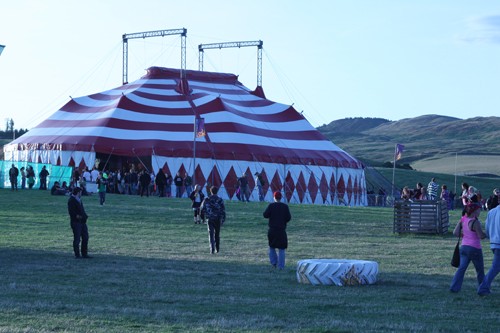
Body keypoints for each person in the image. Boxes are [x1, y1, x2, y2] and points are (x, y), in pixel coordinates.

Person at [450, 195, 486, 292]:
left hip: (464, 247)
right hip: (475, 248)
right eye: (479, 210)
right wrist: (487, 233)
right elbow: (481, 236)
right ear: (474, 211)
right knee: (480, 271)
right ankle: (483, 288)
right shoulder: (475, 222)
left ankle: (454, 287)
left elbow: (455, 233)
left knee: (461, 269)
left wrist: (464, 235)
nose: (480, 211)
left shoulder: (463, 219)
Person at [263, 191, 292, 270]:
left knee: (271, 246)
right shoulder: (285, 206)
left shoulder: (271, 206)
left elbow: (265, 215)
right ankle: (281, 266)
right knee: (281, 248)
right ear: (281, 197)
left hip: (272, 229)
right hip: (281, 230)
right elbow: (288, 218)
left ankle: (274, 263)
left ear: (274, 197)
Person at [477, 201, 500, 296]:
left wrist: (491, 237)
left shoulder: (492, 212)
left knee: (496, 266)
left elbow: (487, 228)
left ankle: (483, 287)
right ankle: (483, 287)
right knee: (495, 267)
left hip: (494, 242)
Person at [201, 186, 226, 254]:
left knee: (211, 234)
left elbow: (202, 209)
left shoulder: (207, 199)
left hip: (210, 218)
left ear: (210, 191)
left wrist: (202, 218)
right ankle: (217, 249)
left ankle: (212, 249)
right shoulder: (220, 199)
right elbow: (223, 210)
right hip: (218, 219)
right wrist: (223, 219)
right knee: (217, 234)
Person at [67, 187, 91, 259]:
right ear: (78, 192)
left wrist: (85, 216)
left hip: (82, 222)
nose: (81, 193)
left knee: (85, 237)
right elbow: (72, 212)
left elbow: (82, 210)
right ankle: (77, 254)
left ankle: (84, 253)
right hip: (76, 222)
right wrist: (79, 217)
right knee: (77, 238)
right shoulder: (71, 200)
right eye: (80, 192)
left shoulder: (79, 200)